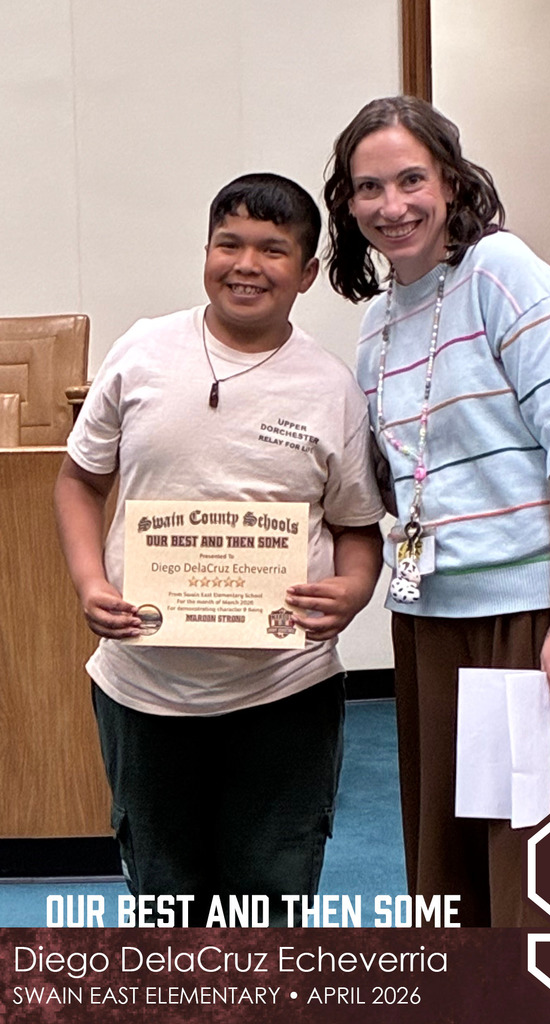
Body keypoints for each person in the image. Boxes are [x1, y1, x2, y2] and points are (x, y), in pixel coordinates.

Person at [324, 96, 550, 927]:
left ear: (453, 182)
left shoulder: (503, 272)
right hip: (435, 618)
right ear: (346, 206)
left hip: (532, 616)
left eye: (411, 180)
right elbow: (396, 479)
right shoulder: (376, 325)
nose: (392, 207)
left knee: (546, 868)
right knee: (455, 867)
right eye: (367, 189)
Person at [54, 172, 384, 926]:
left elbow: (357, 524)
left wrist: (355, 587)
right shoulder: (142, 351)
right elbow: (78, 482)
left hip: (283, 691)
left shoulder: (330, 388)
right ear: (204, 252)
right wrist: (86, 579)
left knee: (272, 893)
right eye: (228, 243)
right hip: (143, 683)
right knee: (165, 894)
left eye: (273, 250)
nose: (246, 264)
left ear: (305, 274)